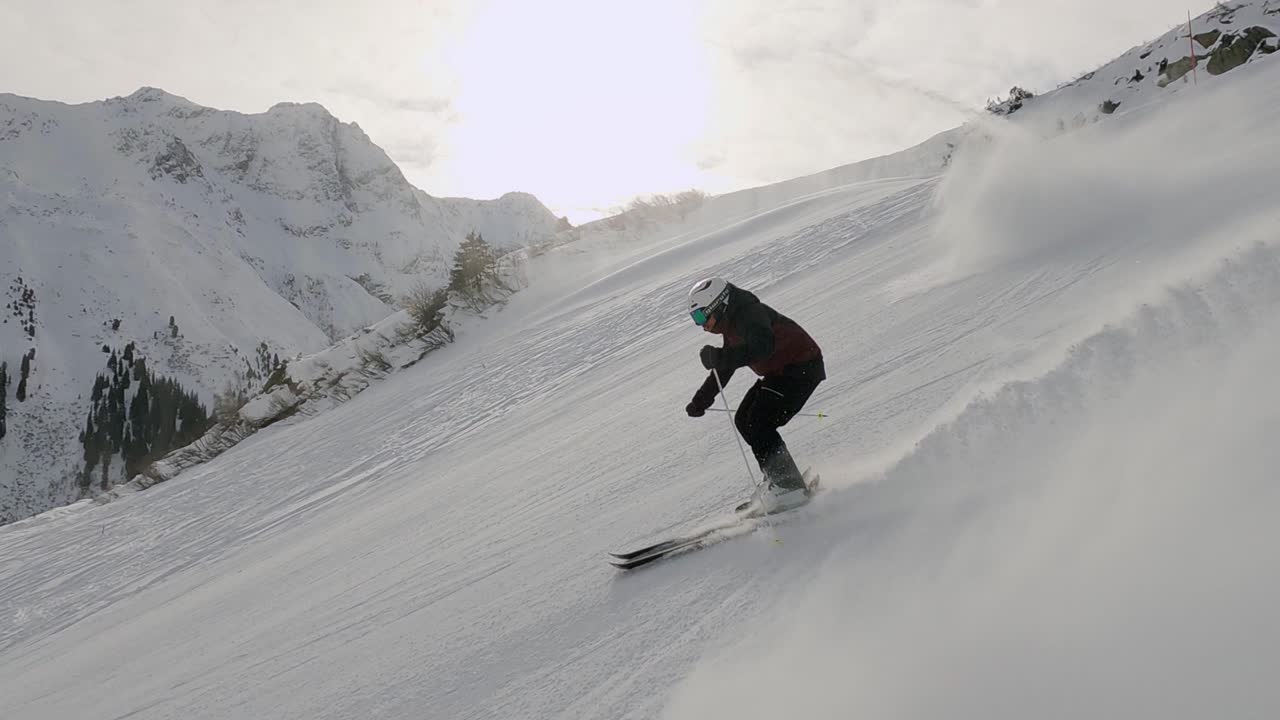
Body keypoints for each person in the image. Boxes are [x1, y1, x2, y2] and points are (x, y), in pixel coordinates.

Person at [684, 276, 825, 512]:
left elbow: (763, 347)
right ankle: (779, 479)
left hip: (802, 369)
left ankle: (789, 487)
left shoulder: (750, 314)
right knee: (744, 418)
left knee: (759, 422)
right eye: (695, 319)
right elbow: (726, 367)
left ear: (717, 305)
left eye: (700, 316)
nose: (701, 325)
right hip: (783, 373)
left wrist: (720, 356)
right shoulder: (732, 325)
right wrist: (702, 399)